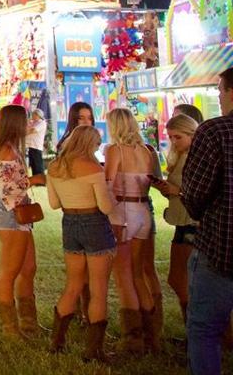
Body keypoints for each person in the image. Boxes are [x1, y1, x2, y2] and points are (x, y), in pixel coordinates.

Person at [45, 126, 116, 361]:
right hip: (94, 223)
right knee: (98, 289)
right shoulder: (94, 168)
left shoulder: (55, 166)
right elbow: (105, 208)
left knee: (72, 285)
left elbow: (54, 204)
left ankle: (57, 342)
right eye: (97, 143)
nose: (98, 148)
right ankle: (94, 350)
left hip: (70, 223)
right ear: (89, 144)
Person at [180, 67, 233, 375]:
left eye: (219, 91)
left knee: (204, 329)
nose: (219, 97)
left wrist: (196, 210)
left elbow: (195, 192)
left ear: (229, 92)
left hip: (220, 247)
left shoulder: (215, 131)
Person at [104, 107, 156, 354]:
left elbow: (108, 184)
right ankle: (152, 336)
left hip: (122, 211)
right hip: (144, 210)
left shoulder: (115, 150)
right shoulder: (147, 151)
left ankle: (132, 338)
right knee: (137, 274)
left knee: (123, 276)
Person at [0, 104, 38, 340]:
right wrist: (37, 179)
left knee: (28, 268)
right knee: (9, 272)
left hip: (18, 214)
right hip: (12, 215)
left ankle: (28, 322)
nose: (30, 124)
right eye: (26, 120)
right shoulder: (7, 151)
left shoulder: (10, 149)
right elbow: (11, 191)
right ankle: (10, 328)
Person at [153, 113, 198, 327]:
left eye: (177, 137)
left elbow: (201, 193)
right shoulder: (180, 156)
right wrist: (166, 190)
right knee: (179, 279)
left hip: (192, 223)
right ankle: (194, 328)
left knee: (183, 279)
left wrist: (176, 191)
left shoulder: (196, 158)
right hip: (181, 220)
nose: (173, 141)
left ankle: (198, 329)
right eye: (170, 137)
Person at [26, 108, 47, 177]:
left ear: (38, 115)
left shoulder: (42, 122)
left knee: (38, 164)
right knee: (33, 164)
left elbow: (33, 130)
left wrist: (23, 134)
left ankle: (40, 180)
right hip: (30, 146)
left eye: (34, 114)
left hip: (36, 146)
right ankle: (36, 179)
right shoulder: (32, 122)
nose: (32, 115)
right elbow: (26, 128)